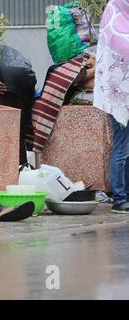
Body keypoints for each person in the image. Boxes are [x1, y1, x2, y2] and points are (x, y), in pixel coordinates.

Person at [94, 0, 129, 213]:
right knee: (122, 147)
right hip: (118, 96)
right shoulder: (114, 16)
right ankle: (120, 197)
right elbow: (120, 46)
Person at [0, 45, 37, 165]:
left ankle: (3, 169)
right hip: (25, 83)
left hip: (3, 85)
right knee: (19, 133)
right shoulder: (12, 53)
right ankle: (22, 169)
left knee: (0, 131)